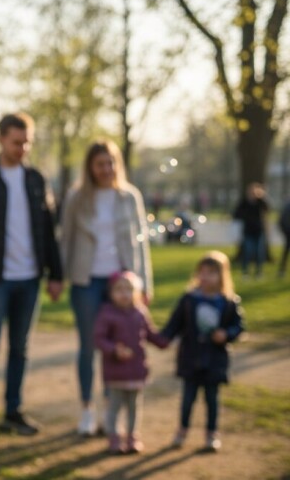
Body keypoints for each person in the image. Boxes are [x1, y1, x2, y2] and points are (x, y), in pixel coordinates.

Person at [0, 112, 63, 440]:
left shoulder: (36, 179)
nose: (23, 148)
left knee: (20, 348)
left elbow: (48, 230)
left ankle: (13, 412)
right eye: (17, 142)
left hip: (29, 279)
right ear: (1, 139)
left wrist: (56, 274)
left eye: (27, 142)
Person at [60, 139, 152, 436]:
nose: (106, 169)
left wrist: (144, 283)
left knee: (121, 346)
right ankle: (88, 409)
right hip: (86, 280)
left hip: (121, 282)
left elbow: (141, 244)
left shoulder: (129, 197)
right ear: (90, 166)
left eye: (111, 162)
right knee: (89, 346)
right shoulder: (77, 198)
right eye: (100, 163)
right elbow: (67, 239)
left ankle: (113, 411)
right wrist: (59, 277)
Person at [159, 251, 245, 452]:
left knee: (212, 400)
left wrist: (227, 333)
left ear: (221, 276)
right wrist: (161, 339)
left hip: (215, 361)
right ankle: (182, 431)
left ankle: (211, 433)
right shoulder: (189, 299)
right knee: (188, 399)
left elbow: (239, 327)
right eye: (202, 272)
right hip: (190, 357)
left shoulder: (228, 302)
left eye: (211, 273)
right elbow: (174, 324)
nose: (205, 277)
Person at [93, 271, 167, 454]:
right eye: (119, 289)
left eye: (129, 289)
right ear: (111, 292)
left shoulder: (140, 312)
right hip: (115, 372)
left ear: (136, 292)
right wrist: (114, 350)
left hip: (136, 370)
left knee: (134, 406)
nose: (124, 293)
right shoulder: (107, 313)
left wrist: (166, 340)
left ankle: (133, 436)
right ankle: (114, 436)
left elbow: (150, 334)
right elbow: (99, 338)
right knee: (115, 406)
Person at [233, 183, 269, 278]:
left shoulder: (260, 202)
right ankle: (245, 272)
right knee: (247, 251)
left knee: (259, 252)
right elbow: (236, 214)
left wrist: (262, 197)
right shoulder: (244, 202)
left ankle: (259, 272)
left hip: (258, 230)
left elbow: (267, 208)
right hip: (248, 231)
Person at [278, 199, 290, 277]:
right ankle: (281, 271)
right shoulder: (288, 207)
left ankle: (281, 271)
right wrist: (286, 232)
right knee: (285, 253)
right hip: (289, 234)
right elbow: (282, 221)